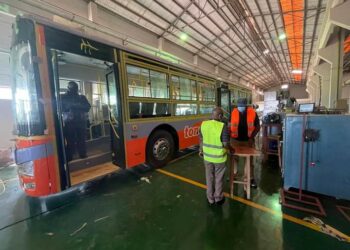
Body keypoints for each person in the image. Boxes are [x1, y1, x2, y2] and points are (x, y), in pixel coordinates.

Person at [199, 107, 234, 206]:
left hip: (207, 157)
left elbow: (201, 139)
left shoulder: (204, 124)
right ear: (219, 116)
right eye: (222, 116)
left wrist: (201, 150)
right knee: (219, 178)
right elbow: (225, 143)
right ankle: (218, 198)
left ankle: (210, 198)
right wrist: (231, 149)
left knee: (209, 177)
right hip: (219, 158)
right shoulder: (222, 126)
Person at [230, 98, 260, 188]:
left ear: (246, 106)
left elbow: (258, 126)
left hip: (248, 141)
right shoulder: (233, 112)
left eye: (242, 106)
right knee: (234, 159)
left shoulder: (253, 113)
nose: (240, 108)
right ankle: (234, 175)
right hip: (235, 141)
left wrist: (251, 137)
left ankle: (250, 178)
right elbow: (229, 125)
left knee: (249, 161)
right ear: (237, 106)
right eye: (239, 106)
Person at [61, 81, 91, 161]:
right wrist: (71, 106)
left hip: (81, 121)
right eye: (73, 88)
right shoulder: (63, 97)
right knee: (70, 139)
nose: (74, 90)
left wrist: (75, 106)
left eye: (75, 88)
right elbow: (61, 108)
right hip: (69, 122)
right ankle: (70, 156)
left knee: (81, 139)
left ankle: (82, 154)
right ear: (68, 88)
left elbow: (87, 107)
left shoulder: (82, 97)